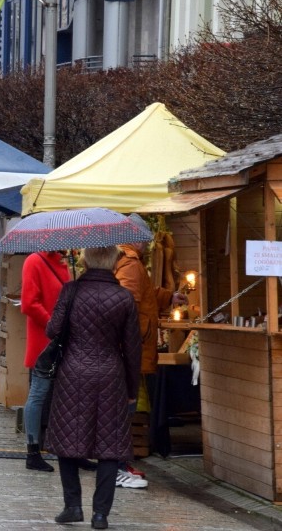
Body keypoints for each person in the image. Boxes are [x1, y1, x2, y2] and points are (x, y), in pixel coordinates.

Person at [47, 246, 142, 530]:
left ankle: (73, 506)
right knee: (109, 446)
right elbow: (134, 348)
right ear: (113, 261)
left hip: (73, 373)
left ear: (85, 260)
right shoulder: (124, 298)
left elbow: (52, 330)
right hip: (111, 375)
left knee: (67, 440)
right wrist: (132, 387)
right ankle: (100, 514)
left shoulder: (71, 290)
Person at [113, 214, 185, 489]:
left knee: (125, 405)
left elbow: (143, 292)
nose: (147, 245)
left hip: (130, 344)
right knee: (125, 406)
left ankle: (119, 462)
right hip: (131, 345)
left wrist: (168, 296)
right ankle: (118, 465)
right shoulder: (130, 262)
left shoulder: (128, 261)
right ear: (136, 239)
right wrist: (132, 338)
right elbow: (127, 301)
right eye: (145, 240)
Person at [20, 250, 70, 471]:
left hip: (64, 341)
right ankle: (33, 451)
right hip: (45, 341)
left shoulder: (65, 262)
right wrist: (53, 326)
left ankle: (69, 451)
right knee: (38, 394)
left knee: (65, 397)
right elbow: (29, 303)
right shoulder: (35, 260)